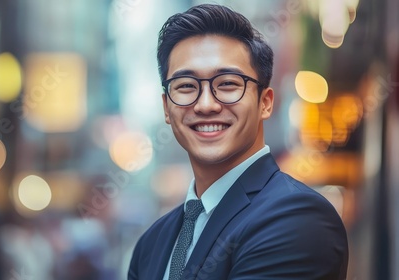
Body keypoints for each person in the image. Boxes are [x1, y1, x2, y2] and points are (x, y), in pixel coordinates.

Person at [128, 4, 348, 280]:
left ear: (265, 103)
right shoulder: (152, 243)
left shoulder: (297, 218)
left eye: (228, 84)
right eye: (186, 86)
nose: (206, 105)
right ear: (166, 108)